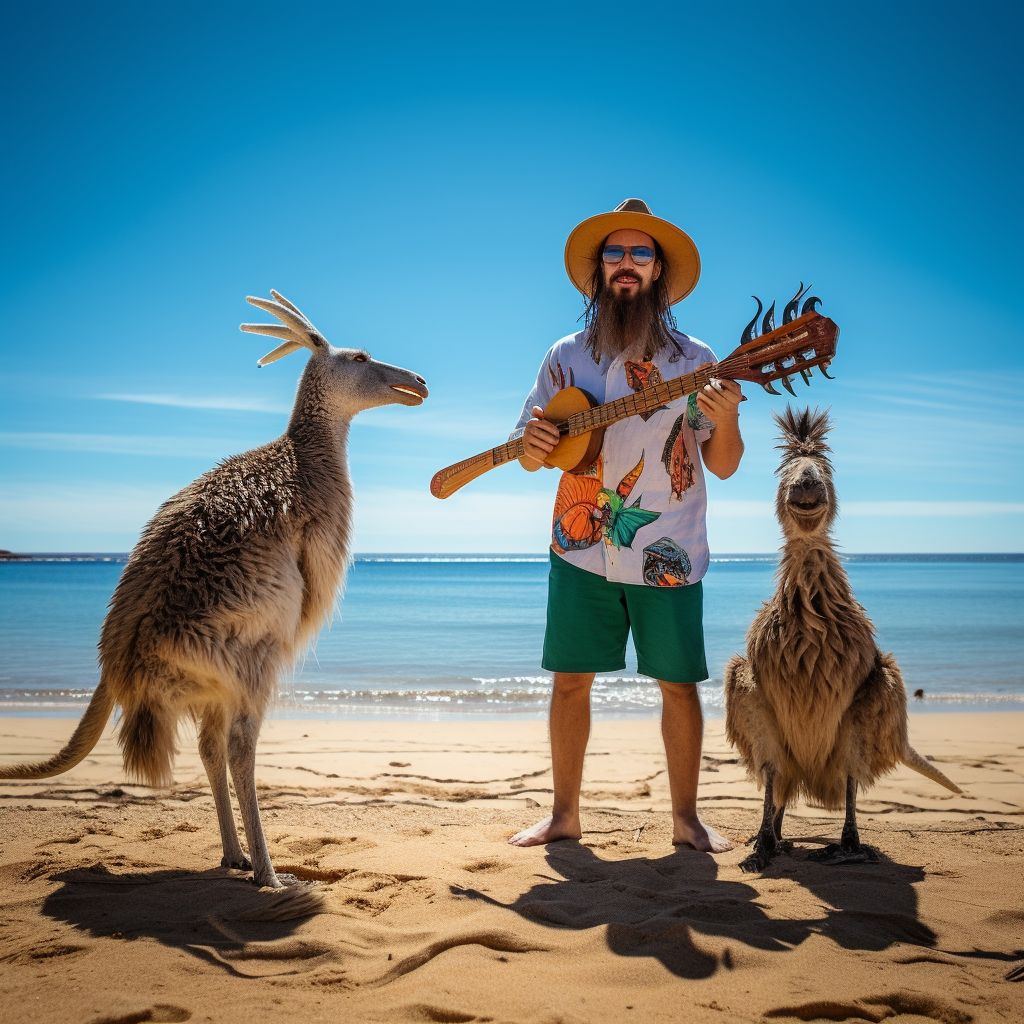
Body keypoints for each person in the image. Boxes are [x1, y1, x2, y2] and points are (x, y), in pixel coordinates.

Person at [508, 199, 743, 851]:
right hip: (580, 545)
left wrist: (726, 418)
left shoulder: (696, 359)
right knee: (570, 681)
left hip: (667, 547)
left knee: (678, 685)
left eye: (642, 254)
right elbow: (533, 447)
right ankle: (564, 815)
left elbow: (722, 466)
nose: (627, 265)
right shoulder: (566, 355)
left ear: (659, 271)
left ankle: (686, 821)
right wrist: (528, 444)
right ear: (599, 270)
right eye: (616, 253)